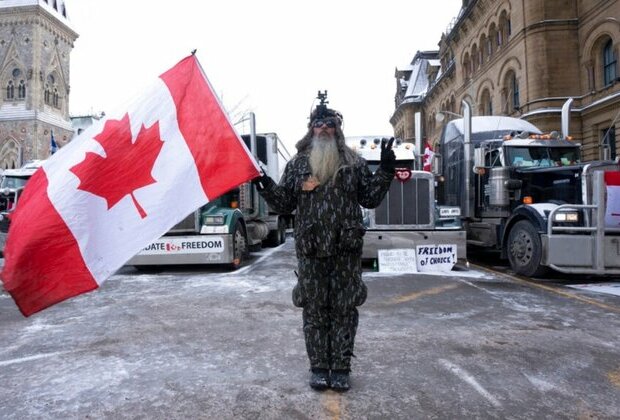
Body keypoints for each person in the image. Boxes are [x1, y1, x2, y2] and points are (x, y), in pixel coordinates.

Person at [252, 95, 396, 391]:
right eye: (318, 123)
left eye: (330, 123)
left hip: (345, 249)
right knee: (315, 309)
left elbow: (369, 198)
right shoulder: (298, 164)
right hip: (311, 249)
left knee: (344, 308)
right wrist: (265, 184)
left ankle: (341, 367)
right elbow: (283, 202)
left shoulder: (353, 162)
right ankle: (318, 366)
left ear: (337, 129)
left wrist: (385, 170)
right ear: (311, 129)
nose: (324, 128)